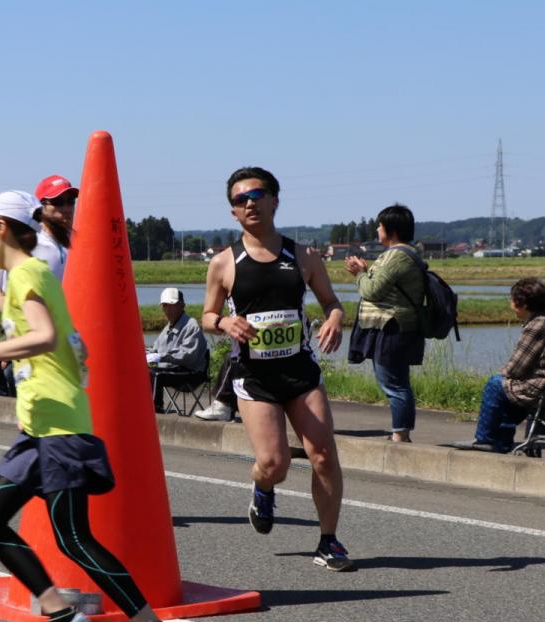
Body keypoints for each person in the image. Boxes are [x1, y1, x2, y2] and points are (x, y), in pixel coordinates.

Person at [0, 190, 186, 622]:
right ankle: (64, 618)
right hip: (38, 428)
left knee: (74, 539)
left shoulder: (29, 271)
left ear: (2, 227)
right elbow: (68, 344)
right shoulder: (19, 278)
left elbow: (47, 336)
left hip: (61, 428)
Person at [201, 166, 352, 571]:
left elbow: (331, 302)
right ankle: (263, 488)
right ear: (233, 212)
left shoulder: (303, 256)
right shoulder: (224, 263)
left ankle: (329, 541)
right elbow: (207, 317)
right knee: (275, 463)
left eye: (257, 193)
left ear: (275, 200)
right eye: (239, 199)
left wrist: (335, 317)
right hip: (255, 378)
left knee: (323, 455)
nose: (249, 202)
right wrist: (225, 323)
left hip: (301, 373)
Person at [455, 278, 545, 453]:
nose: (510, 303)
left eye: (512, 300)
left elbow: (514, 369)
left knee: (495, 384)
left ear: (522, 304)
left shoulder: (538, 325)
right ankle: (501, 441)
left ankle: (485, 439)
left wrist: (502, 377)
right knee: (509, 386)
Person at [0, 175, 78, 397]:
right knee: (1, 374)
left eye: (70, 201)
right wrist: (15, 340)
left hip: (69, 344)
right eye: (58, 202)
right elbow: (1, 295)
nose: (66, 208)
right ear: (41, 208)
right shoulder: (27, 247)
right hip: (35, 344)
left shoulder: (83, 245)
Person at [344, 204, 426, 443]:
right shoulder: (397, 254)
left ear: (390, 229)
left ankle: (401, 435)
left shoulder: (397, 255)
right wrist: (366, 271)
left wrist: (359, 274)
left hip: (392, 327)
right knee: (394, 382)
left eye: (379, 225)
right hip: (391, 326)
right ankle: (400, 432)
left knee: (394, 384)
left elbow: (372, 291)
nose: (377, 229)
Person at [148, 287, 208, 413]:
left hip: (192, 372)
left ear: (182, 305)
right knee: (143, 371)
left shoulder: (191, 325)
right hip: (175, 369)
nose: (168, 309)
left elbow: (187, 356)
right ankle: (141, 407)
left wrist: (161, 357)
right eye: (165, 305)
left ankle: (156, 411)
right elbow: (156, 350)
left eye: (172, 305)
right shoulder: (168, 327)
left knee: (156, 375)